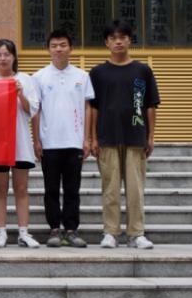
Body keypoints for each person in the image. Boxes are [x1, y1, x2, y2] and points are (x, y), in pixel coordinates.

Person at [89, 20, 160, 250]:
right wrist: (92, 138)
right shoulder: (98, 73)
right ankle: (110, 232)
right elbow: (93, 108)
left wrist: (151, 136)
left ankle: (136, 233)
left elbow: (150, 105)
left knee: (135, 189)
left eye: (122, 37)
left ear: (130, 40)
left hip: (136, 136)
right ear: (107, 43)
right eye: (113, 38)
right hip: (107, 137)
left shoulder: (142, 71)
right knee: (110, 189)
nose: (118, 42)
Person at [33, 29, 94, 249]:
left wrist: (87, 139)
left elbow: (88, 108)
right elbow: (36, 111)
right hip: (49, 143)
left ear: (71, 48)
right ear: (48, 50)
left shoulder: (82, 76)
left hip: (74, 142)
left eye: (63, 45)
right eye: (54, 45)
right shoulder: (38, 77)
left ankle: (71, 230)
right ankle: (54, 229)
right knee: (50, 189)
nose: (58, 49)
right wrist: (36, 140)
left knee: (72, 189)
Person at [0, 39, 40, 248]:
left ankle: (23, 232)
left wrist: (20, 93)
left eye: (7, 54)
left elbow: (31, 110)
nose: (3, 58)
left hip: (21, 142)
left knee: (21, 188)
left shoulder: (25, 80)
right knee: (0, 188)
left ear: (14, 57)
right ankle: (1, 231)